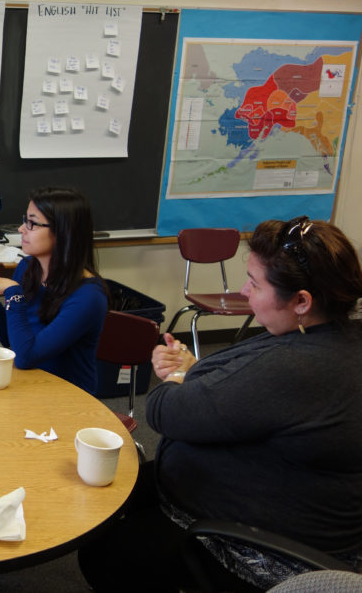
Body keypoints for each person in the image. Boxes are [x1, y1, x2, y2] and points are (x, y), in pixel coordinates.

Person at [78, 216, 362, 592]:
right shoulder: (340, 338)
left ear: (301, 301)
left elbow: (163, 411)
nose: (244, 290)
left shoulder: (293, 367)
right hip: (304, 510)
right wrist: (196, 370)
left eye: (255, 283)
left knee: (103, 548)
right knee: (120, 489)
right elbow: (251, 393)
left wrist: (177, 378)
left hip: (265, 541)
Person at [0, 186, 108, 394]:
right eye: (24, 220)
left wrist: (12, 292)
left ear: (63, 232)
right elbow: (14, 342)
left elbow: (27, 357)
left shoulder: (88, 297)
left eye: (32, 223)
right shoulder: (28, 268)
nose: (21, 229)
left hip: (69, 398)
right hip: (31, 384)